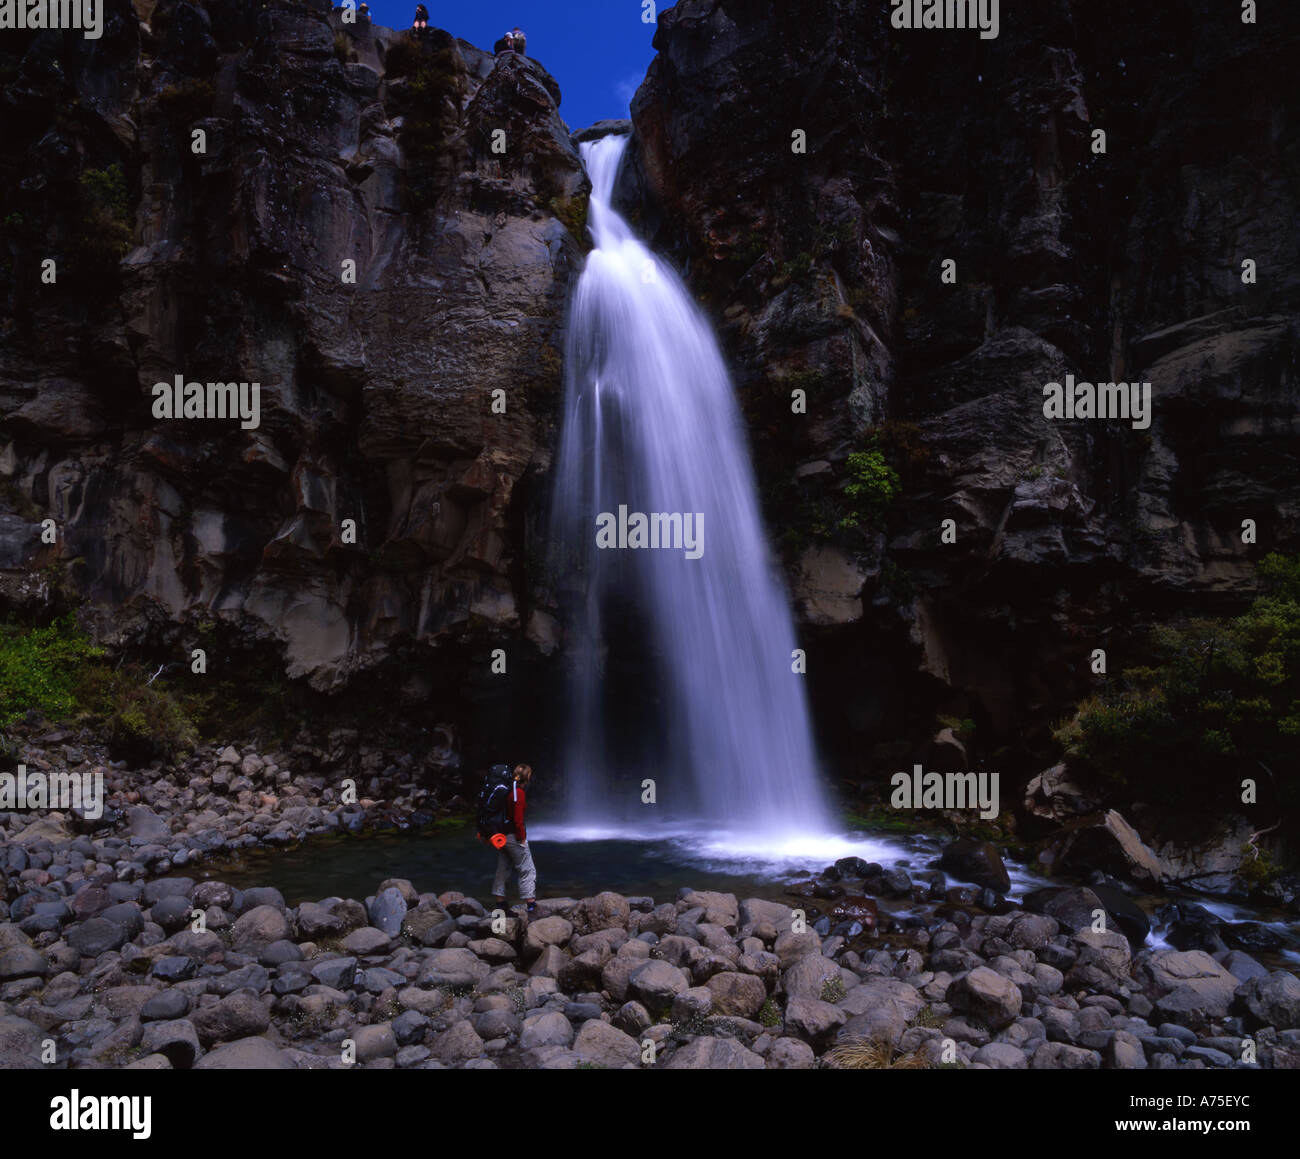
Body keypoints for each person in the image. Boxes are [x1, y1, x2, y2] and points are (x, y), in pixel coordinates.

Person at [485, 764, 537, 914]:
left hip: (501, 836)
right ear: (527, 778)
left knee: (503, 867)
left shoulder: (506, 789)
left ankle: (500, 902)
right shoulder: (518, 793)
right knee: (527, 869)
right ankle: (531, 903)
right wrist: (522, 838)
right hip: (513, 836)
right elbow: (518, 819)